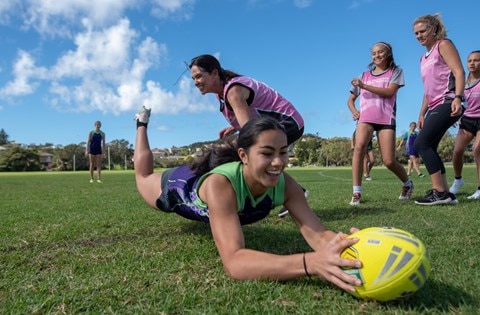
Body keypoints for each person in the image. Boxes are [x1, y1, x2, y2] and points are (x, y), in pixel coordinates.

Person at [133, 108, 362, 290]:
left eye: (283, 152)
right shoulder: (220, 185)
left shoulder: (286, 184)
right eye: (267, 153)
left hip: (215, 184)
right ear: (244, 155)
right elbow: (235, 262)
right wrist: (310, 263)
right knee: (143, 176)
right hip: (177, 188)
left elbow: (320, 236)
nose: (278, 162)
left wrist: (355, 247)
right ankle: (141, 124)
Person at [188, 54, 308, 217]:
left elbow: (249, 131)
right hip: (278, 123)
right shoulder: (223, 94)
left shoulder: (233, 91)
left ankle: (240, 203)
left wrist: (231, 145)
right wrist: (233, 127)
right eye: (193, 78)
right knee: (248, 154)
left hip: (288, 122)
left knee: (245, 154)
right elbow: (250, 118)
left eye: (199, 76)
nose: (196, 82)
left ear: (214, 73)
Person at [347, 42, 413, 206]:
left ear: (388, 54)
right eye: (374, 53)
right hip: (366, 118)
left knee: (389, 160)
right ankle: (356, 192)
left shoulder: (396, 72)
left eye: (380, 52)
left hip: (385, 119)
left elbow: (390, 92)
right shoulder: (363, 75)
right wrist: (354, 110)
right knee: (359, 148)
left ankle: (407, 183)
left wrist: (364, 86)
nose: (376, 56)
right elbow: (350, 99)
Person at [412, 14, 465, 205]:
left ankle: (440, 192)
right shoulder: (422, 58)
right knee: (429, 146)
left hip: (449, 99)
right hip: (433, 104)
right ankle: (446, 193)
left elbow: (459, 71)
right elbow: (428, 89)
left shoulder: (443, 44)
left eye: (423, 31)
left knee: (421, 144)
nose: (419, 35)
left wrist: (458, 97)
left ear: (434, 29)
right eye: (416, 33)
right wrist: (421, 113)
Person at [449, 50, 480, 200]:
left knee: (477, 150)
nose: (472, 63)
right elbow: (458, 101)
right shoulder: (462, 82)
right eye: (470, 61)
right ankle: (458, 180)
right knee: (457, 152)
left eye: (476, 60)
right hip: (467, 120)